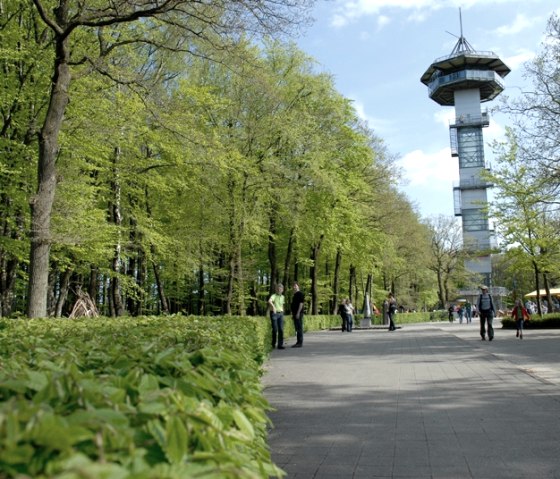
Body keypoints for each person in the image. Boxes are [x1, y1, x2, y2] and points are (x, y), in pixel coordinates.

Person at [268, 283, 286, 349]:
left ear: (282, 290)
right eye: (278, 289)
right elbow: (269, 301)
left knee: (281, 329)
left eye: (280, 289)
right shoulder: (274, 295)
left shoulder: (283, 297)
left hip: (281, 314)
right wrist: (273, 307)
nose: (279, 290)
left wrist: (283, 312)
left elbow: (282, 305)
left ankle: (280, 345)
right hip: (274, 314)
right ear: (276, 289)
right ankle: (273, 344)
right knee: (275, 330)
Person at [291, 282, 305, 347]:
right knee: (297, 328)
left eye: (295, 286)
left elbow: (301, 304)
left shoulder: (300, 294)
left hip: (298, 313)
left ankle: (300, 342)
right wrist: (293, 314)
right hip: (295, 314)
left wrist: (298, 313)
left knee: (299, 328)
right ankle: (298, 342)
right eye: (293, 286)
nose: (294, 287)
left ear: (298, 286)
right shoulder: (295, 294)